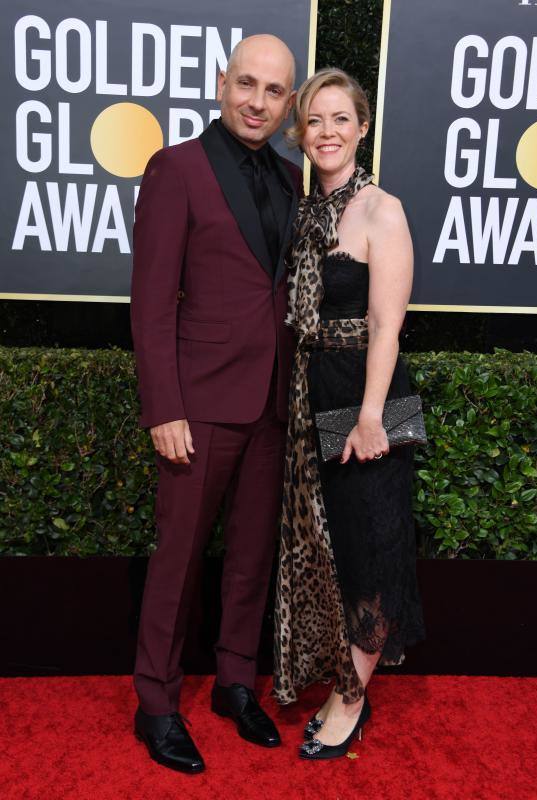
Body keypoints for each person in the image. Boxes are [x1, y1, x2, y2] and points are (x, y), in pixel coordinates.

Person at [131, 34, 303, 774]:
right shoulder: (176, 169)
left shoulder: (296, 179)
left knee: (252, 557)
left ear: (289, 103)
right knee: (178, 560)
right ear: (220, 83)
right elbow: (149, 300)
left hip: (272, 403)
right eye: (246, 84)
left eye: (273, 91)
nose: (257, 102)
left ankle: (235, 682)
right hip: (198, 404)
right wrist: (163, 406)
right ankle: (158, 705)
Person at [273, 68, 425, 760]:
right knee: (331, 550)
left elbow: (387, 326)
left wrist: (369, 418)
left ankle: (351, 697)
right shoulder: (305, 214)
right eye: (315, 121)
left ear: (363, 128)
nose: (327, 132)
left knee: (371, 549)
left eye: (341, 119)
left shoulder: (381, 210)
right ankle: (336, 672)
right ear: (301, 136)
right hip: (313, 390)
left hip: (369, 394)